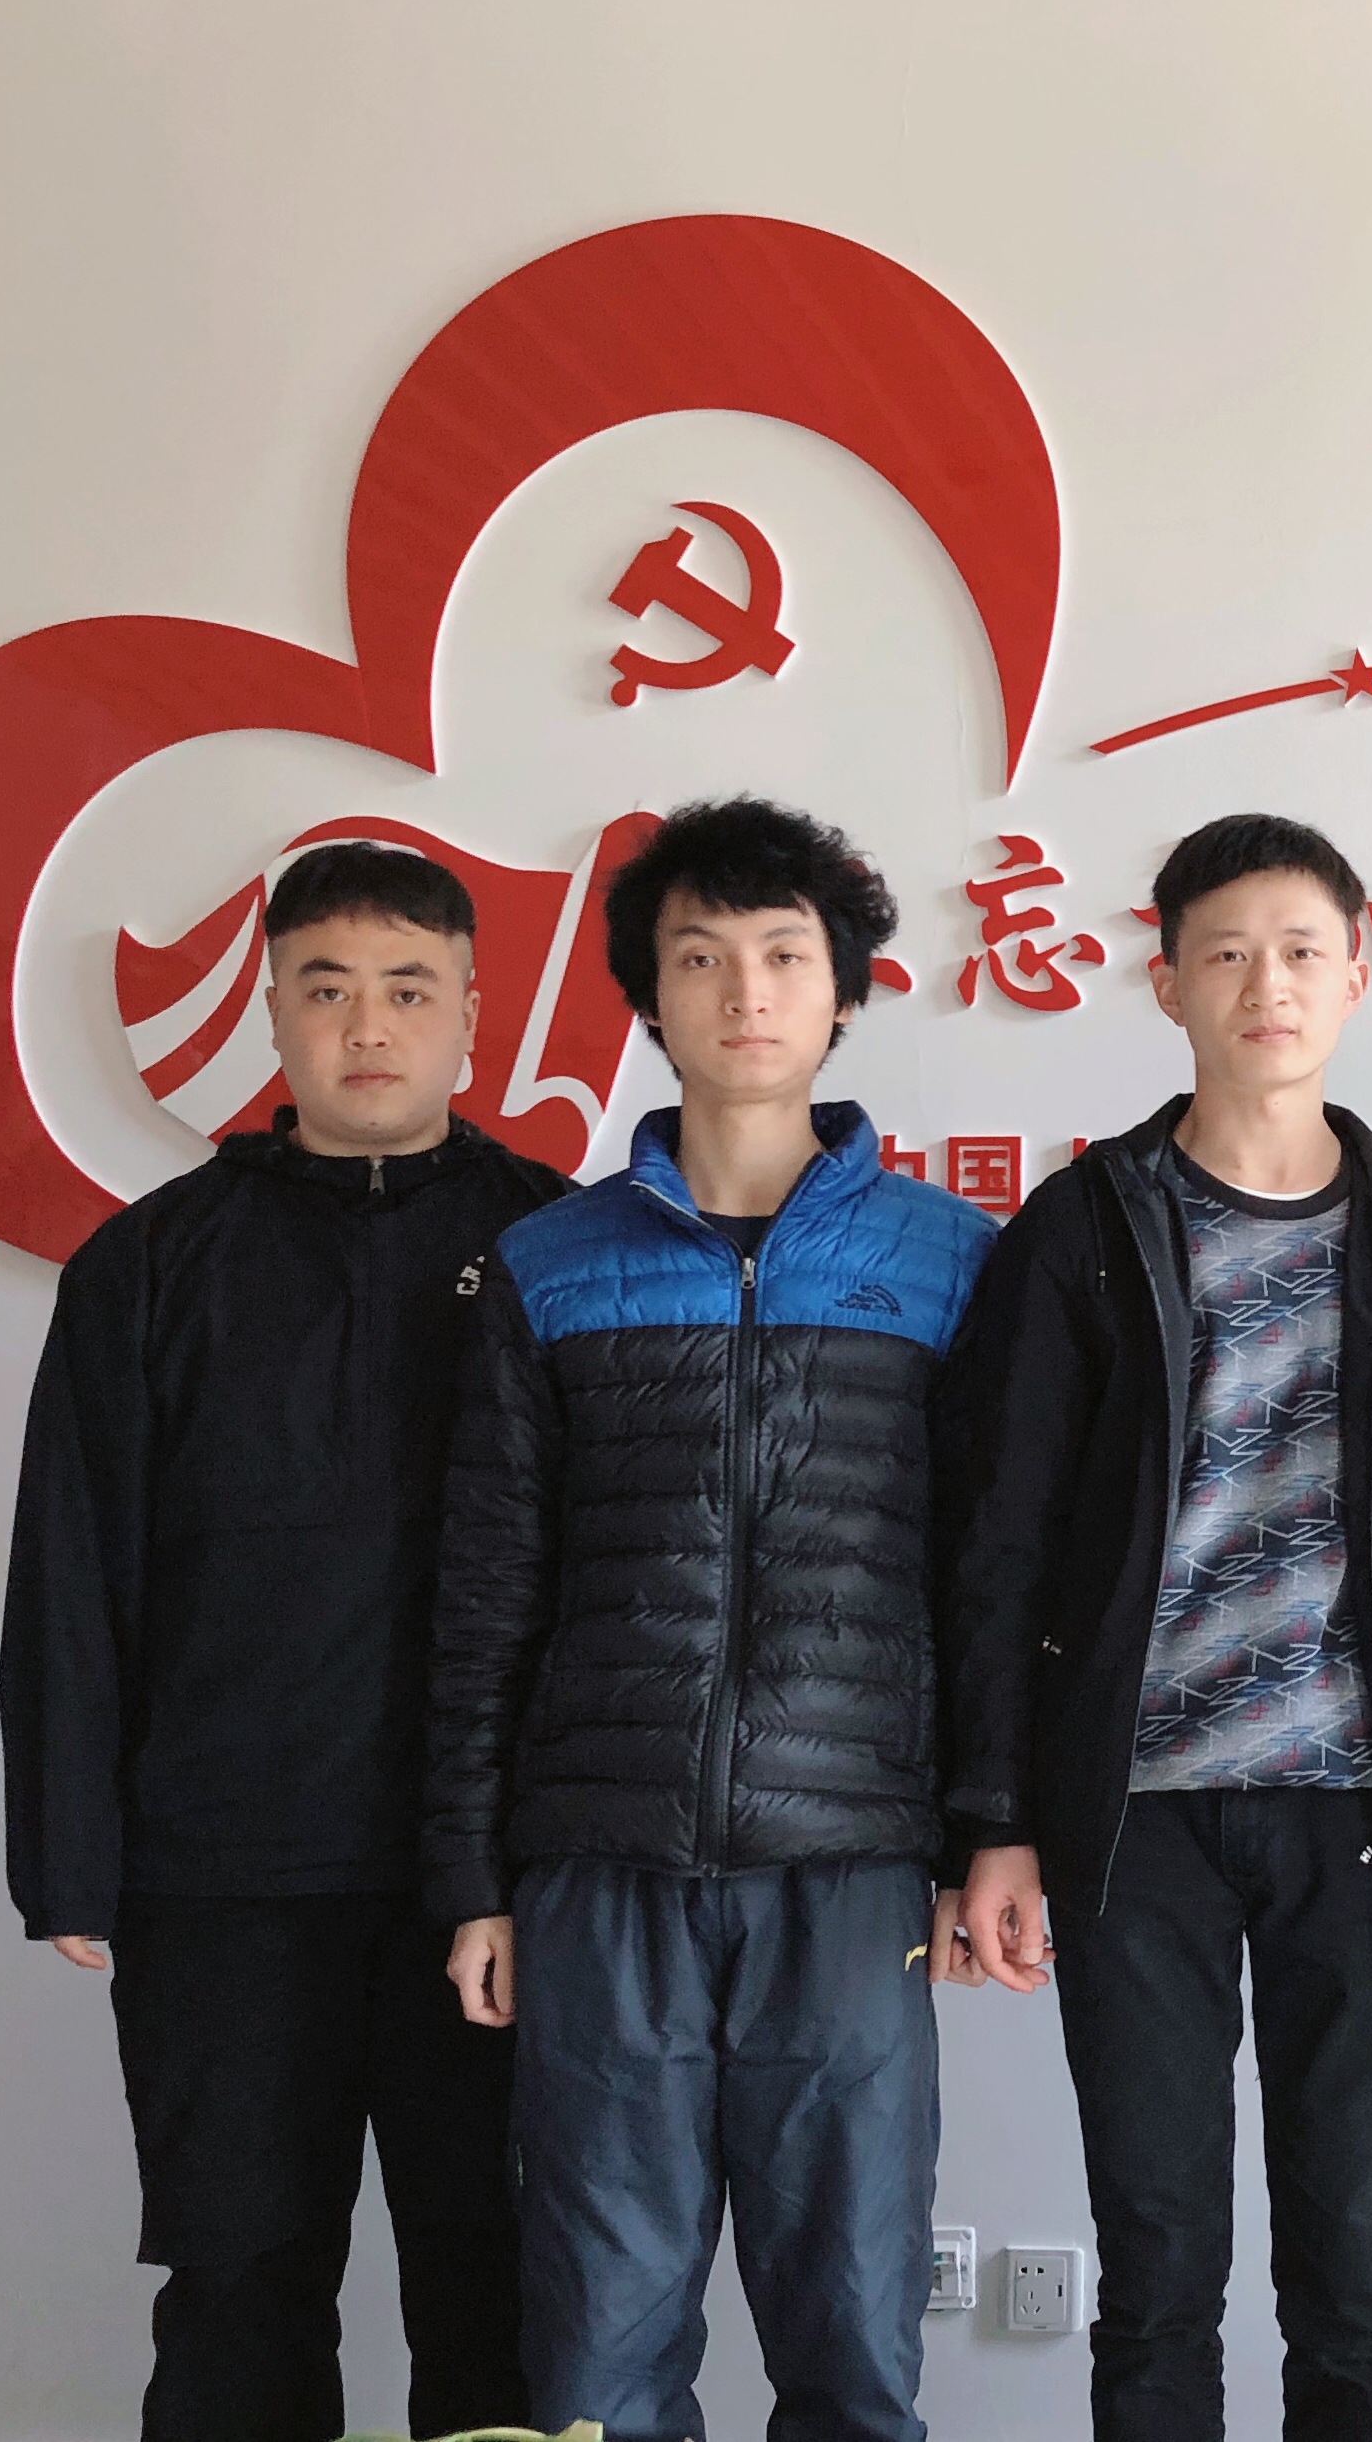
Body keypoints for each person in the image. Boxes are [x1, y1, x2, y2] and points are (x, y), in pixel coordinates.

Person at [424, 797, 994, 2442]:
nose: (745, 991)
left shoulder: (954, 1261)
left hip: (852, 1867)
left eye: (782, 955)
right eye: (700, 957)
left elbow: (987, 1583)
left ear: (844, 990)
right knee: (597, 2358)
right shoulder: (548, 1265)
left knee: (855, 2343)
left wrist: (982, 1837)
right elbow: (490, 1586)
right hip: (603, 1871)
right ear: (649, 997)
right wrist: (472, 1874)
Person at [0, 840, 569, 2442]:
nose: (366, 1026)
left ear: (472, 1013)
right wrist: (71, 1856)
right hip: (223, 1875)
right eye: (326, 988)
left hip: (495, 1879)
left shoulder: (560, 1247)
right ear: (271, 1009)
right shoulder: (150, 1265)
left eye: (408, 988)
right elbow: (71, 1570)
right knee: (238, 2290)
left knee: (500, 2288)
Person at [931, 812, 1372, 2442]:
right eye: (1227, 953)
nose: (1268, 984)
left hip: (1364, 1806)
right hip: (1138, 1816)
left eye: (1302, 950)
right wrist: (992, 1821)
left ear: (1358, 977)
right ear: (1166, 981)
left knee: (1363, 2274)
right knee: (1159, 2266)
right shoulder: (1082, 1230)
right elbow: (1001, 1542)